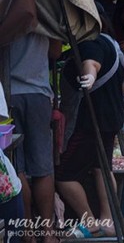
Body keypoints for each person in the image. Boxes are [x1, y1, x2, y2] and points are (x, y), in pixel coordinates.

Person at [56, 15, 124, 238]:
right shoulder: (111, 43)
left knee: (63, 175)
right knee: (102, 169)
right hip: (111, 119)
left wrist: (89, 77)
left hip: (89, 122)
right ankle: (108, 221)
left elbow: (91, 64)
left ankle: (90, 221)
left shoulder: (90, 43)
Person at [9, 32, 59, 243]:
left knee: (16, 166)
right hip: (38, 93)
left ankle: (27, 231)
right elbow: (56, 52)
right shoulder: (45, 9)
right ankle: (47, 234)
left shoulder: (5, 5)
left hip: (8, 94)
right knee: (42, 168)